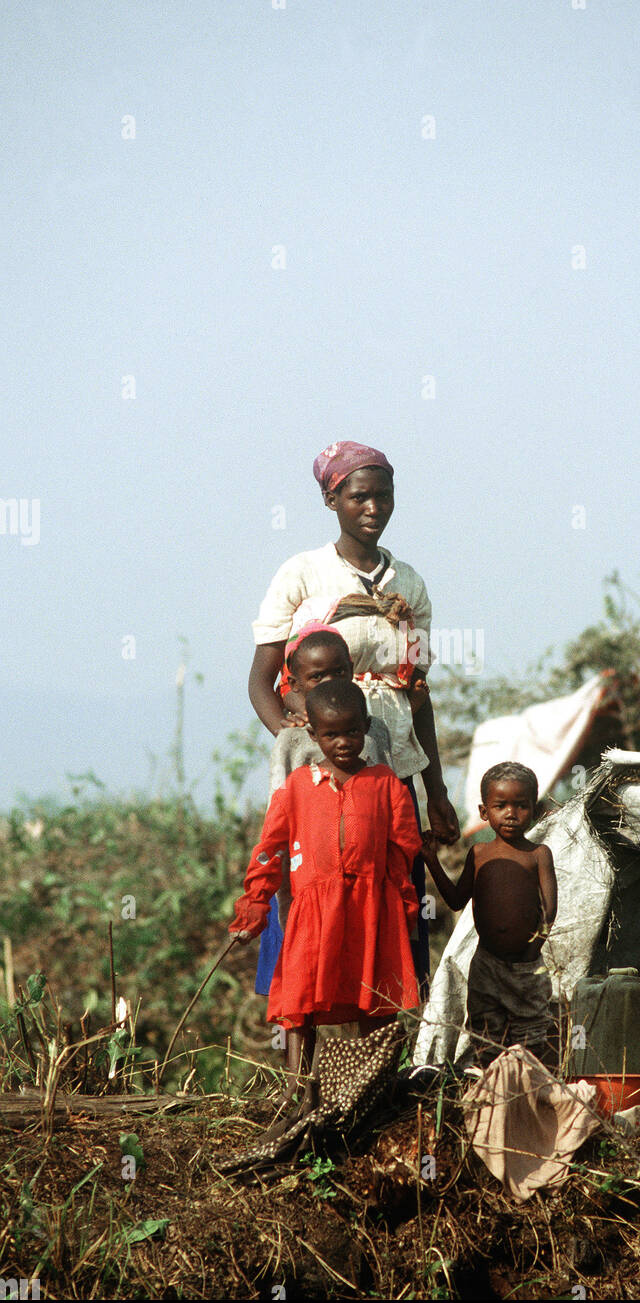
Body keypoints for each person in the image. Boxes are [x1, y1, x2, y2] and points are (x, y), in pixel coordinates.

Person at [247, 440, 460, 989]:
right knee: (312, 889)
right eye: (359, 497)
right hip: (318, 765)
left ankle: (391, 1038)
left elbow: (418, 694)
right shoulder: (303, 574)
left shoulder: (407, 584)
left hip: (392, 760)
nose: (374, 509)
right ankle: (302, 1032)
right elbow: (260, 681)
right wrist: (303, 742)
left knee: (393, 884)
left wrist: (434, 791)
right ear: (331, 498)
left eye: (383, 497)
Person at [229, 679, 422, 1109]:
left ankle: (378, 1084)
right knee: (301, 997)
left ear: (366, 728)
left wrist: (403, 904)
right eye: (331, 734)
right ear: (313, 735)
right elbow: (269, 849)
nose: (343, 742)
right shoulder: (297, 787)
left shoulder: (386, 783)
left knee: (376, 996)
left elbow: (403, 848)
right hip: (313, 911)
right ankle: (300, 1089)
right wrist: (254, 906)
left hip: (372, 908)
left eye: (352, 731)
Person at [253, 623, 393, 998]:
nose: (330, 682)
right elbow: (278, 820)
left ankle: (367, 1056)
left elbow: (387, 802)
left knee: (360, 976)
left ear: (352, 671)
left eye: (339, 673)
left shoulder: (372, 732)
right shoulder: (293, 739)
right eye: (317, 677)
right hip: (304, 878)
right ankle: (295, 1057)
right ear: (295, 685)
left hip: (360, 879)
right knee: (296, 974)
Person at [421, 761, 557, 1063]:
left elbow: (549, 910)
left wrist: (534, 947)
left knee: (531, 1038)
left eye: (521, 805)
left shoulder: (538, 854)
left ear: (533, 810)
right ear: (485, 812)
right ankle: (489, 1096)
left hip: (527, 968)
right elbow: (457, 900)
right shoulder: (479, 854)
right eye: (501, 805)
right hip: (486, 964)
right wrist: (431, 860)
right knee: (485, 1037)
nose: (511, 813)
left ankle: (526, 1097)